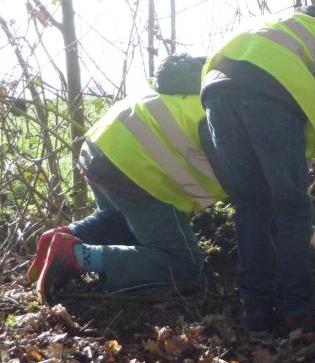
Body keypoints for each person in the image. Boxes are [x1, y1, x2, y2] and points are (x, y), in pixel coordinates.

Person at [201, 6, 315, 337]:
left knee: (251, 208)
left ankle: (256, 312)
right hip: (269, 97)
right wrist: (304, 149)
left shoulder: (281, 28)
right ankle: (297, 313)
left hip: (216, 93)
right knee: (293, 210)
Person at [27, 54, 227, 301]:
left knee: (117, 220)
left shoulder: (169, 92)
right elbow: (233, 170)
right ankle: (76, 256)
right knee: (184, 264)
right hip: (137, 172)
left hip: (97, 151)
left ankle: (63, 237)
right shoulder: (212, 106)